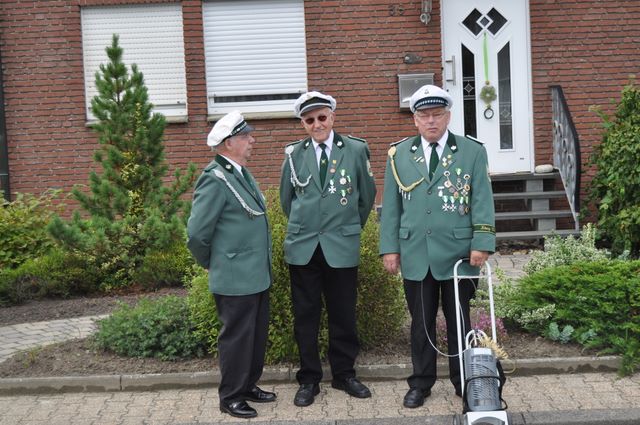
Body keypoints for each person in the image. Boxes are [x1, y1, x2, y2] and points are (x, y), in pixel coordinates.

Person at [379, 85, 496, 408]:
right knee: (421, 323)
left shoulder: (472, 151)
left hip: (459, 253)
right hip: (416, 252)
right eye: (424, 115)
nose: (431, 121)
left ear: (448, 116)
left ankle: (464, 381)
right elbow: (391, 207)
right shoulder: (399, 154)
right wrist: (389, 248)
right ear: (415, 120)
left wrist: (482, 242)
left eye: (437, 114)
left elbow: (482, 199)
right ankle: (420, 383)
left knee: (460, 321)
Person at [280, 91, 377, 407]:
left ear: (332, 117)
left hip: (340, 244)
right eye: (309, 120)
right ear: (303, 124)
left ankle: (344, 375)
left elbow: (366, 197)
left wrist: (347, 228)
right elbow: (287, 200)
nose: (317, 124)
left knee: (343, 314)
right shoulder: (294, 154)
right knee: (305, 317)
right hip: (304, 248)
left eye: (322, 117)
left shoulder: (355, 149)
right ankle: (309, 379)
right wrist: (309, 226)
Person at [186, 111, 275, 419]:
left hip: (256, 273)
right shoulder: (214, 179)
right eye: (245, 136)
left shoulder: (240, 173)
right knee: (236, 338)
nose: (252, 140)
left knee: (255, 335)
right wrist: (211, 262)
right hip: (235, 275)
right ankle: (231, 396)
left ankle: (248, 385)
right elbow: (197, 233)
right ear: (229, 143)